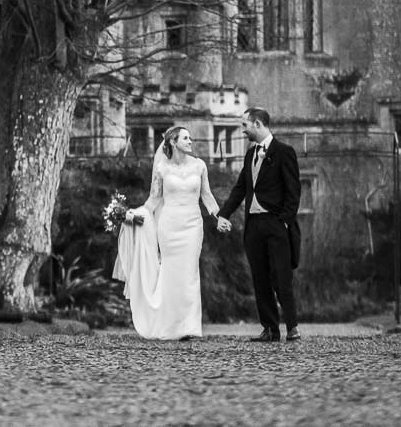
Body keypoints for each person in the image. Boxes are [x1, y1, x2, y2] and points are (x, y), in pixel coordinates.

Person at [112, 125, 220, 340]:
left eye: (190, 138)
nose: (190, 142)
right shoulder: (162, 169)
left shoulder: (199, 166)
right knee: (171, 273)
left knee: (189, 272)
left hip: (192, 225)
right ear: (173, 142)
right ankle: (170, 325)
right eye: (186, 138)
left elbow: (207, 196)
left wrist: (219, 216)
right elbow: (154, 199)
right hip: (169, 225)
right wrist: (134, 213)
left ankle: (189, 326)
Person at [217, 106, 302, 343]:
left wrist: (284, 221)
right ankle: (270, 329)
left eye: (244, 125)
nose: (242, 130)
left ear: (257, 124)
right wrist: (224, 214)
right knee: (260, 278)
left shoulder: (284, 152)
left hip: (276, 224)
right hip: (253, 226)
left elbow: (293, 192)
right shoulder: (250, 154)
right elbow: (240, 189)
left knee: (281, 277)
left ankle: (292, 327)